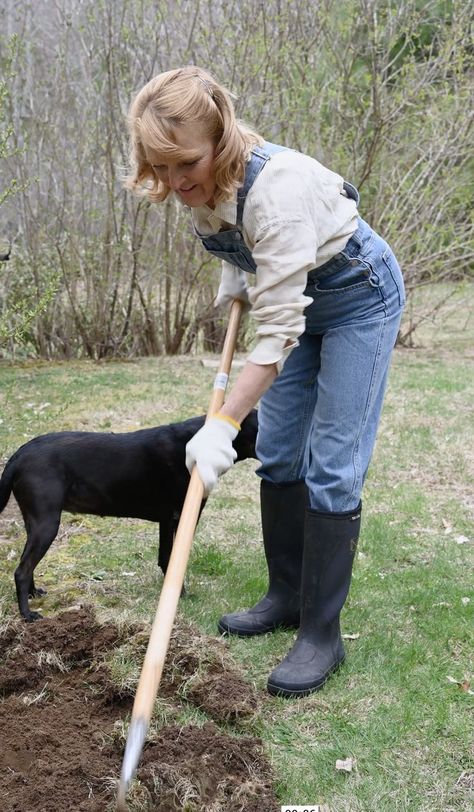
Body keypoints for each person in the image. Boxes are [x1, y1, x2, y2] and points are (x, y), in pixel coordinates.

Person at [125, 66, 405, 698]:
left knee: (332, 462)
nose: (173, 182)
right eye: (160, 167)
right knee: (278, 450)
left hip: (359, 299)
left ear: (221, 138)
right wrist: (237, 281)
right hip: (297, 303)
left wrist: (221, 425)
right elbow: (248, 258)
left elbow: (276, 337)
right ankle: (284, 595)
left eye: (185, 164)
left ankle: (320, 633)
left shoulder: (277, 188)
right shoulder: (198, 190)